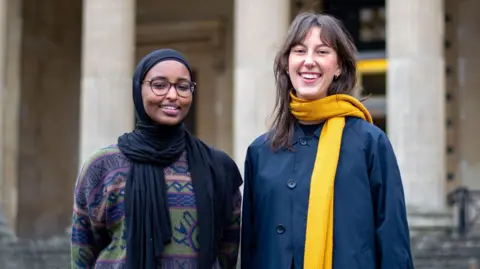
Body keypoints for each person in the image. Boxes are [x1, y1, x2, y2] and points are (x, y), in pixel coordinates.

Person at [240, 12, 413, 269]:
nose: (309, 61)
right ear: (288, 64)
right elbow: (252, 250)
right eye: (299, 51)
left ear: (339, 66)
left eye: (322, 52)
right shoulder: (260, 151)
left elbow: (393, 241)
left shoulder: (370, 143)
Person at [71, 49, 243, 269]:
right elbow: (83, 251)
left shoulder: (218, 167)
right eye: (160, 85)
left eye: (182, 87)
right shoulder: (103, 166)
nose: (172, 95)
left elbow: (228, 250)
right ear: (138, 89)